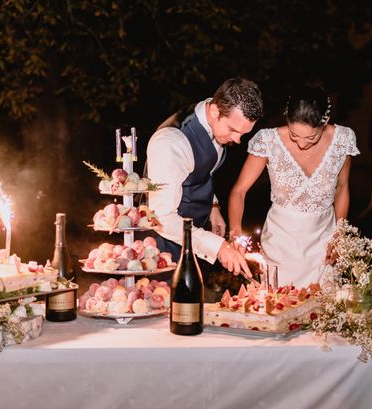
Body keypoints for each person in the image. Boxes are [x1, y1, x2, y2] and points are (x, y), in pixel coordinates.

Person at [228, 85, 359, 287]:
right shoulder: (268, 141)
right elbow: (239, 191)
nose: (302, 144)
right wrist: (235, 232)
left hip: (323, 242)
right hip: (281, 244)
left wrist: (339, 235)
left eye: (311, 138)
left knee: (325, 311)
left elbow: (342, 188)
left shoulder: (342, 140)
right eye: (294, 135)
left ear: (325, 123)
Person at [146, 77, 263, 277]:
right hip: (159, 249)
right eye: (233, 130)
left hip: (191, 240)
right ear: (215, 111)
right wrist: (219, 247)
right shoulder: (171, 143)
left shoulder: (214, 119)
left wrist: (213, 206)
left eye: (243, 133)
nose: (237, 140)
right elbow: (160, 218)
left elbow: (200, 170)